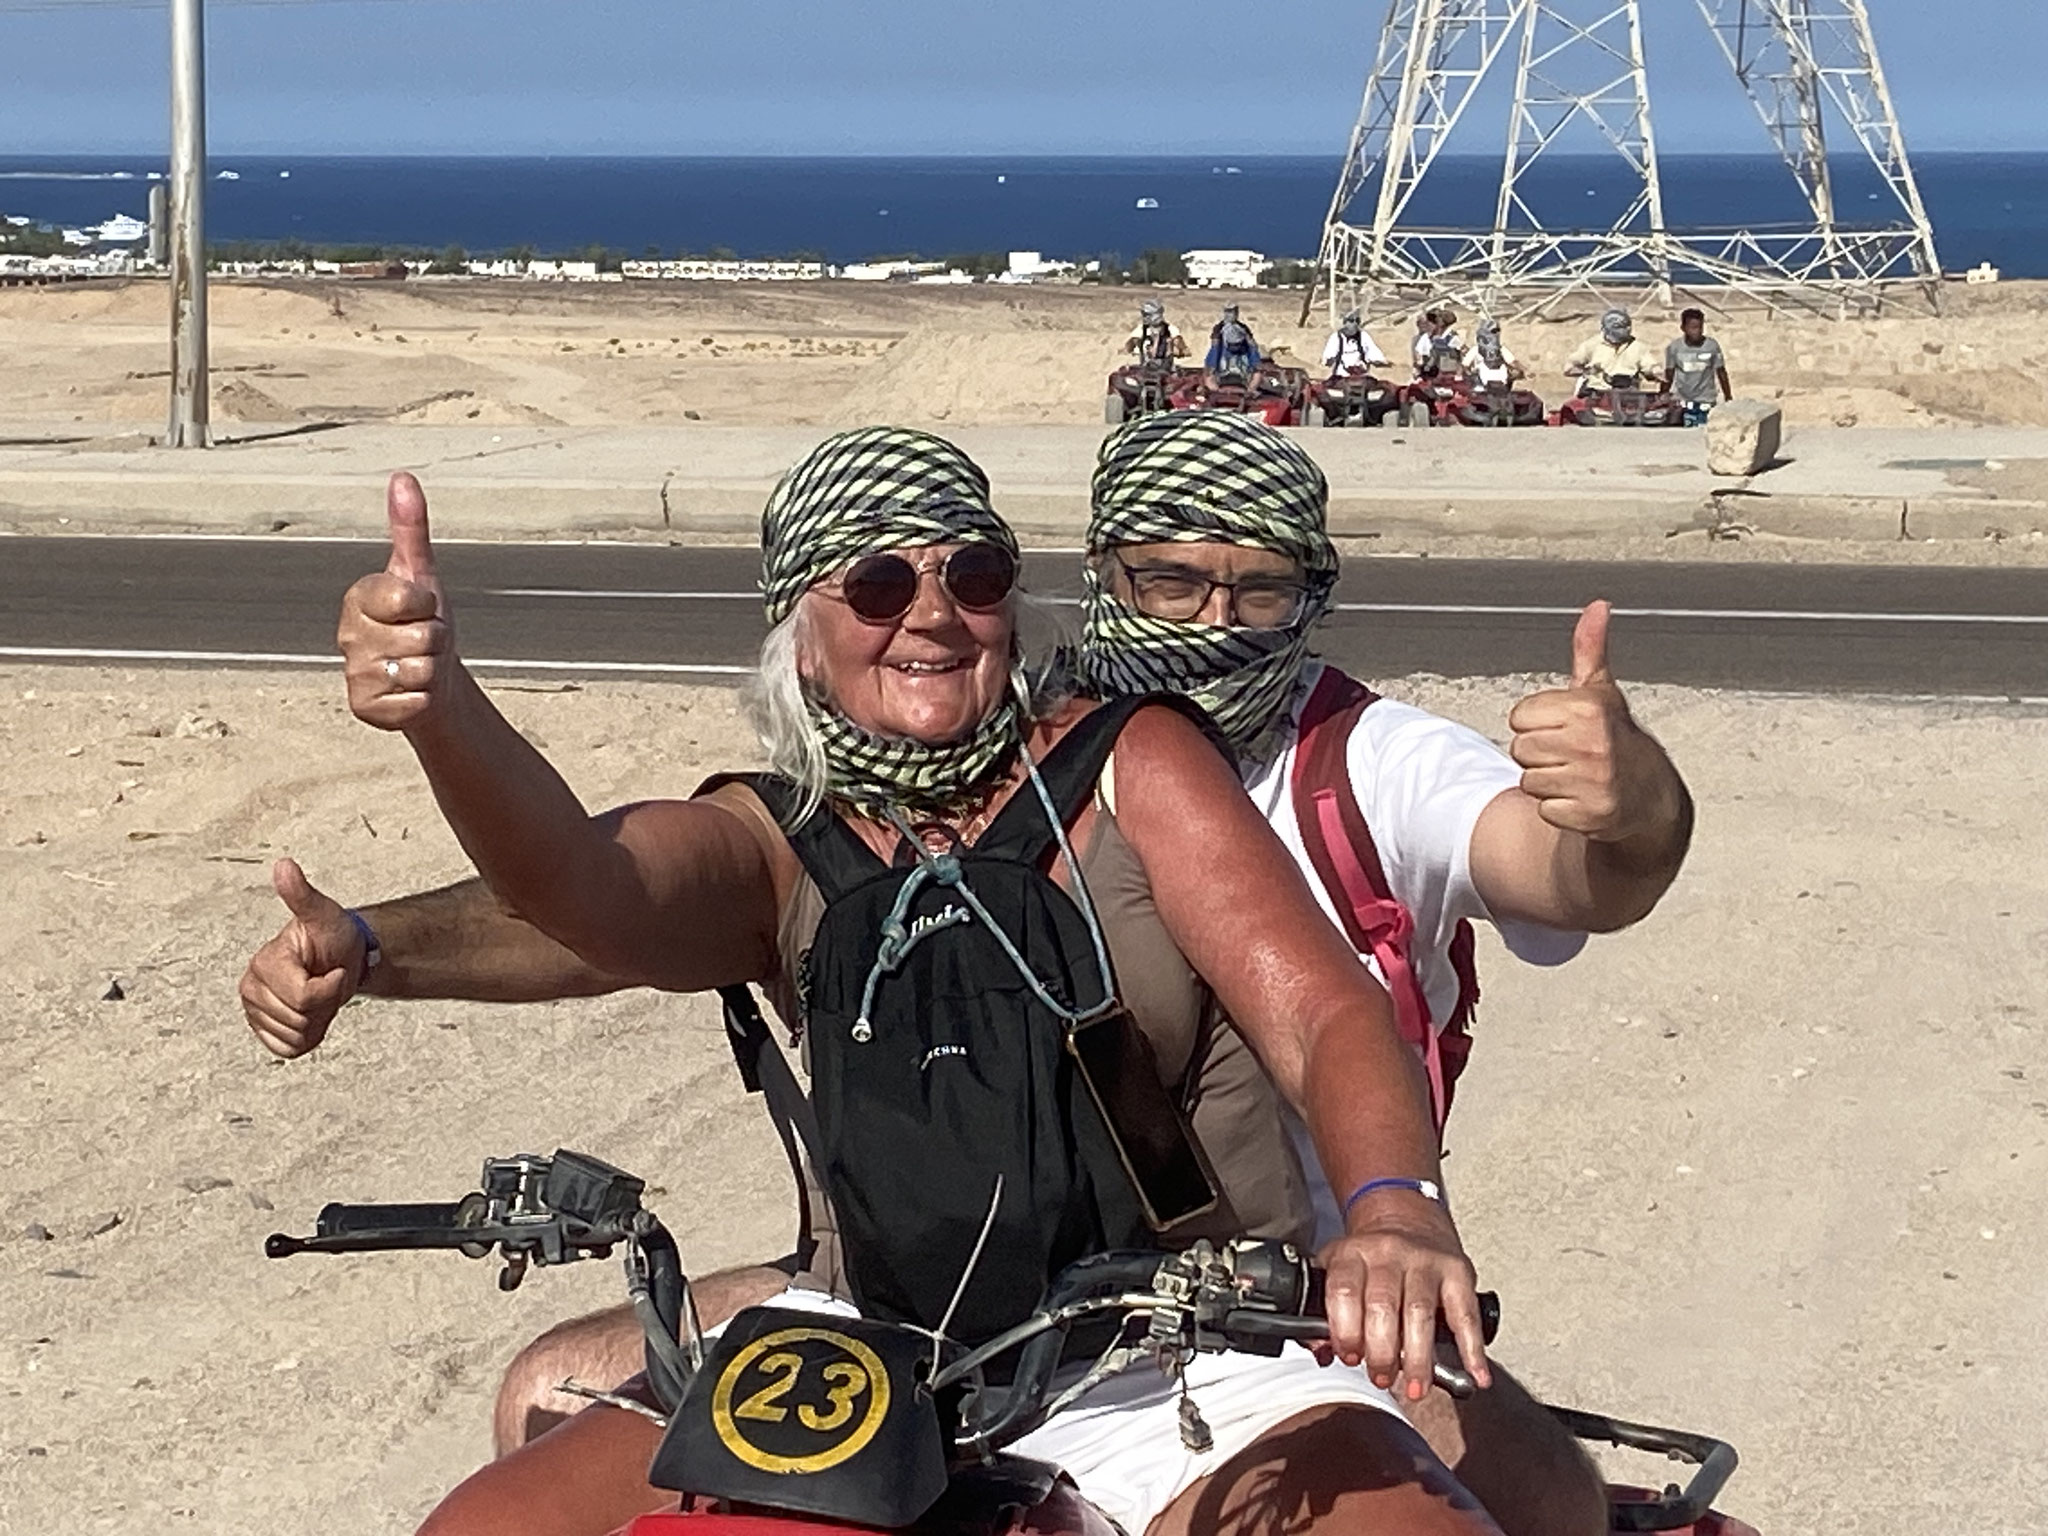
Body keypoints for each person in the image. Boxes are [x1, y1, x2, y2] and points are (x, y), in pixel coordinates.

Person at [253, 428, 1501, 1536]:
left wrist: (1393, 1209)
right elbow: (585, 887)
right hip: (870, 1354)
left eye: (973, 574)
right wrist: (444, 716)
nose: (933, 614)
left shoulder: (1134, 764)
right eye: (877, 584)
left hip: (1180, 1347)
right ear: (799, 628)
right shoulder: (776, 839)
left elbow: (1323, 1011)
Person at [1076, 410, 1695, 1536]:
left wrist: (1634, 809)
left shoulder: (1367, 765)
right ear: (1106, 573)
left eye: (1259, 590)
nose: (1215, 622)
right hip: (1038, 1289)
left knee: (1549, 1508)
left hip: (1320, 1297)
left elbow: (1566, 875)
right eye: (1171, 581)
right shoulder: (1021, 752)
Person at [1564, 308, 1660, 396]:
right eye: (1617, 328)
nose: (1623, 331)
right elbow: (1569, 369)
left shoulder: (1638, 347)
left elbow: (1650, 367)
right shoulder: (1591, 345)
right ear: (1604, 330)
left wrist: (1656, 372)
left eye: (1625, 327)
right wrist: (1588, 371)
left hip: (1628, 395)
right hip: (1597, 393)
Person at [1664, 308, 1733, 426]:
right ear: (1683, 328)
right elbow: (1669, 374)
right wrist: (1663, 394)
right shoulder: (1675, 348)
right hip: (1683, 401)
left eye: (1700, 327)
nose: (1697, 331)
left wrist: (1728, 396)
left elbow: (1721, 372)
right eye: (1693, 328)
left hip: (1706, 400)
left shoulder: (1711, 346)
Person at [1462, 319, 1527, 392]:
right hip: (1492, 381)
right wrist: (1523, 370)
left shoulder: (1479, 349)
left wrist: (1469, 374)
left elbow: (1465, 365)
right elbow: (1513, 362)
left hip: (1491, 381)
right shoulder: (1499, 349)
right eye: (1494, 332)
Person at [1322, 310, 1389, 377]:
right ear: (1345, 322)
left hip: (1361, 374)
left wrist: (1379, 361)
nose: (1354, 323)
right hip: (1341, 375)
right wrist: (1329, 360)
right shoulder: (1336, 337)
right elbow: (1328, 356)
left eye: (1357, 321)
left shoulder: (1363, 336)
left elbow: (1373, 351)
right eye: (1351, 320)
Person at [1205, 303, 1261, 381]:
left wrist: (1249, 342)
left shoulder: (1242, 327)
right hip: (1225, 352)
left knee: (1253, 350)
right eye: (1228, 312)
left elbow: (1251, 342)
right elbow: (1215, 343)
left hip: (1241, 353)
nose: (1230, 315)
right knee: (1215, 350)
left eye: (1232, 312)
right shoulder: (1219, 327)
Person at [1126, 299, 1188, 367]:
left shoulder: (1170, 330)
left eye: (1147, 315)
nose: (1146, 317)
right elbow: (1128, 348)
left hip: (1165, 368)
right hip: (1146, 368)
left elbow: (1184, 350)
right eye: (1144, 315)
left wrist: (1174, 351)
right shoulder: (1141, 330)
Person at [1411, 308, 1464, 378]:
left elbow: (1458, 357)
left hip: (1449, 371)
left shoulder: (1451, 337)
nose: (1427, 326)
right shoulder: (1427, 338)